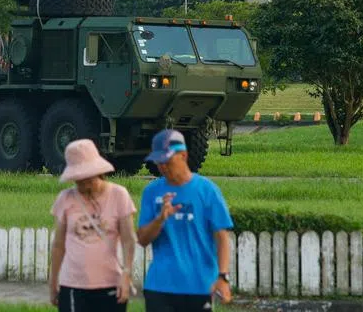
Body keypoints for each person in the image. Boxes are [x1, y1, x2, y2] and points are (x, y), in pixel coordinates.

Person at [137, 129, 234, 311]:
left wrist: (223, 277)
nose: (162, 166)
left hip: (199, 285)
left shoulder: (207, 191)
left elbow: (221, 236)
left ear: (183, 155)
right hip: (160, 285)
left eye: (167, 160)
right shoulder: (151, 192)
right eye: (159, 161)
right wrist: (160, 219)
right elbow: (142, 239)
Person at [49, 138, 137, 312]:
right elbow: (58, 246)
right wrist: (53, 282)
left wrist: (126, 275)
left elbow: (128, 239)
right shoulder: (65, 198)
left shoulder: (119, 195)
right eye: (77, 180)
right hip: (73, 284)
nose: (82, 184)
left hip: (110, 282)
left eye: (87, 179)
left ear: (97, 172)